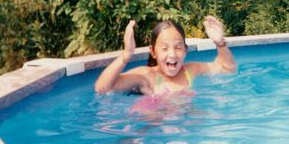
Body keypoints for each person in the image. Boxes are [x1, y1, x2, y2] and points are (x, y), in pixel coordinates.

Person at [94, 15, 236, 96]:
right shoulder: (147, 75)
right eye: (164, 48)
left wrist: (219, 43)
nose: (172, 54)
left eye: (178, 47)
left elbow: (227, 69)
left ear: (185, 50)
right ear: (153, 52)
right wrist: (126, 55)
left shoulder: (190, 70)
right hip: (155, 128)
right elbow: (102, 88)